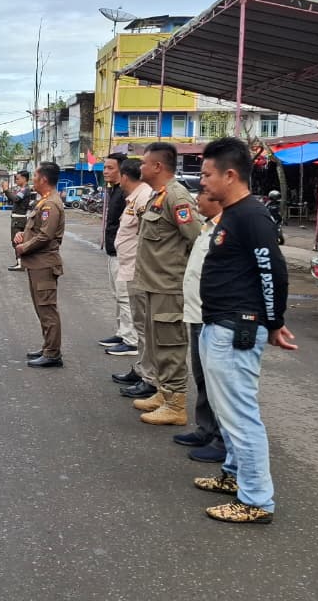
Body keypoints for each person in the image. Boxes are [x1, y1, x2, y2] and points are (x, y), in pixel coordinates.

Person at [193, 137, 296, 525]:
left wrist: (274, 322)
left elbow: (274, 272)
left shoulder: (251, 216)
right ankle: (234, 475)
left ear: (230, 175)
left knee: (240, 414)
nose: (202, 182)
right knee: (226, 409)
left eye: (207, 174)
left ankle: (256, 500)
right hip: (218, 324)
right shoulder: (232, 213)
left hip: (236, 329)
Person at [128, 142, 201, 426]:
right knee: (157, 345)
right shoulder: (158, 195)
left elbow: (197, 238)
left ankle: (176, 404)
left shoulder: (177, 196)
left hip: (169, 287)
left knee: (171, 345)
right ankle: (164, 392)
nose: (140, 167)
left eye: (144, 163)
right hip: (152, 284)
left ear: (158, 166)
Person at [175, 191, 227, 464]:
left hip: (212, 315)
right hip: (196, 312)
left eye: (204, 195)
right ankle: (205, 428)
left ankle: (222, 440)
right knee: (201, 376)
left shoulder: (227, 229)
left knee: (217, 382)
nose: (196, 201)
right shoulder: (207, 227)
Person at [110, 160, 157, 399]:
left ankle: (149, 377)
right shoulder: (134, 198)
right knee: (140, 327)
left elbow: (145, 237)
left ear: (125, 176)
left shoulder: (143, 198)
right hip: (129, 268)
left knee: (144, 327)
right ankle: (141, 370)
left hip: (138, 270)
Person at [16, 162, 66, 368]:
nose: (33, 180)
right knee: (41, 308)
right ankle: (48, 347)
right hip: (37, 264)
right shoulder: (43, 202)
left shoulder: (51, 204)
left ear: (43, 179)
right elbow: (37, 230)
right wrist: (23, 235)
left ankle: (53, 353)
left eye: (35, 176)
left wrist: (24, 247)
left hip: (44, 263)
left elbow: (46, 235)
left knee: (47, 309)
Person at [98, 153, 136, 354]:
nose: (105, 171)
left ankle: (131, 340)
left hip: (125, 253)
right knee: (117, 295)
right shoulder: (113, 191)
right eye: (104, 168)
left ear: (122, 171)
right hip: (113, 251)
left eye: (110, 168)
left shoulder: (125, 193)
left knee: (125, 296)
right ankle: (122, 333)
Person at [1, 170, 33, 272]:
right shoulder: (23, 189)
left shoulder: (24, 190)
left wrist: (6, 190)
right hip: (19, 218)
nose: (16, 180)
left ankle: (20, 264)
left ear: (24, 179)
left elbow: (15, 199)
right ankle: (23, 262)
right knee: (20, 240)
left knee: (16, 241)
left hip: (19, 219)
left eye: (17, 178)